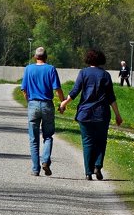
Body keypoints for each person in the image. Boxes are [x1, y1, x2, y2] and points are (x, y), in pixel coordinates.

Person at [60, 49, 123, 180]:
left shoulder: (83, 73)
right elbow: (111, 97)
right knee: (101, 141)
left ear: (88, 59)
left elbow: (75, 91)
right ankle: (98, 166)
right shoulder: (105, 75)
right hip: (102, 114)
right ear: (101, 60)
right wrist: (117, 115)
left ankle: (88, 173)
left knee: (87, 142)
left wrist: (64, 103)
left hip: (85, 114)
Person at [21, 46, 65, 176]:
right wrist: (62, 103)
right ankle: (45, 161)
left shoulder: (28, 69)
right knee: (48, 136)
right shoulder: (51, 69)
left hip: (33, 104)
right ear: (46, 57)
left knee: (33, 139)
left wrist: (29, 101)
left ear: (35, 57)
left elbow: (23, 89)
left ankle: (35, 169)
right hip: (47, 105)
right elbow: (57, 89)